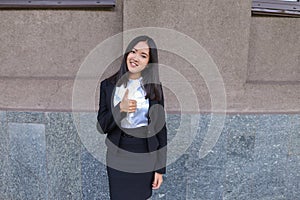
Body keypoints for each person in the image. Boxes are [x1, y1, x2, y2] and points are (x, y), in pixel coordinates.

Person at [97, 35, 167, 200]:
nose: (136, 58)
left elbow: (161, 129)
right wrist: (120, 109)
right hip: (117, 155)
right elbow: (102, 126)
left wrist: (159, 168)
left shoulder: (154, 89)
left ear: (149, 62)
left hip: (144, 153)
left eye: (143, 55)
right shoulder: (107, 86)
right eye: (133, 52)